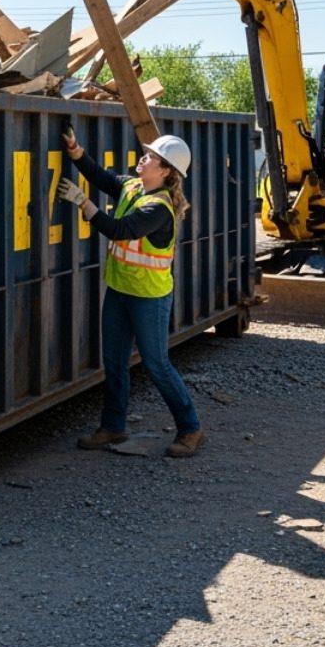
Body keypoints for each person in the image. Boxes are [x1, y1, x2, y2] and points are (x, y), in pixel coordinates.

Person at [57, 127, 205, 458]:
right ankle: (113, 427)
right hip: (121, 289)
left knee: (156, 364)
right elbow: (103, 178)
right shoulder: (133, 186)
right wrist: (76, 150)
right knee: (114, 361)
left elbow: (120, 231)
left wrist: (83, 203)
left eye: (151, 157)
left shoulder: (159, 208)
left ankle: (190, 427)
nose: (144, 158)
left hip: (149, 297)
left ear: (165, 171)